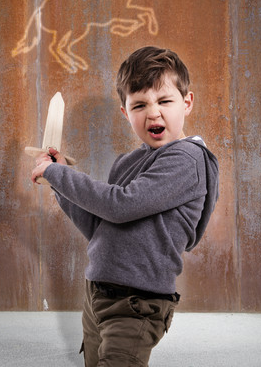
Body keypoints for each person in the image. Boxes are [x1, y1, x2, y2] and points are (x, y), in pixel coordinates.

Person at [31, 46, 219, 367]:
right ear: (125, 113)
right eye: (140, 105)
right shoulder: (130, 162)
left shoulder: (186, 159)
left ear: (187, 103)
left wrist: (58, 174)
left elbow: (121, 205)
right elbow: (99, 225)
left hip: (137, 302)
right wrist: (59, 183)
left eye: (164, 101)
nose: (154, 113)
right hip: (98, 295)